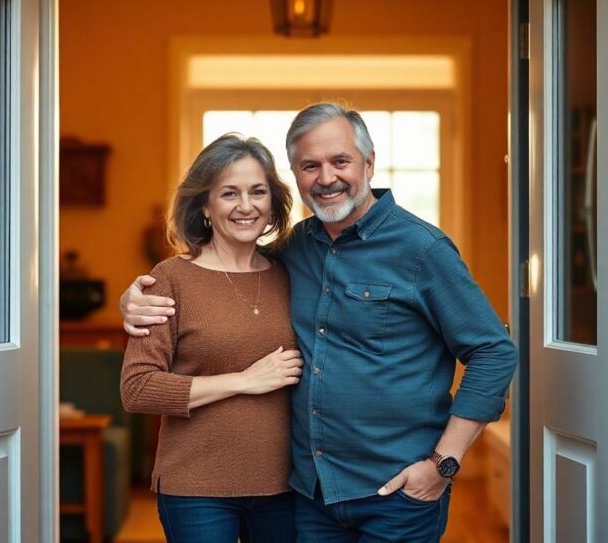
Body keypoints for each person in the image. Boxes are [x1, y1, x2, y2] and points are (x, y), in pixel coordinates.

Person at [121, 103, 519, 542]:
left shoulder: (422, 249)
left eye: (340, 161)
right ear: (295, 175)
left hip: (398, 490)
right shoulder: (294, 252)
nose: (326, 177)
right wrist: (136, 298)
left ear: (369, 163)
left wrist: (444, 463)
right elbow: (220, 277)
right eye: (311, 165)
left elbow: (493, 351)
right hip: (313, 495)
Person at [119, 133, 304, 543]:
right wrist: (244, 380)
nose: (245, 206)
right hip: (196, 487)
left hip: (286, 484)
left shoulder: (293, 273)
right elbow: (137, 389)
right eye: (228, 193)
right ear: (204, 205)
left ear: (272, 202)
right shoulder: (170, 279)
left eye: (258, 192)